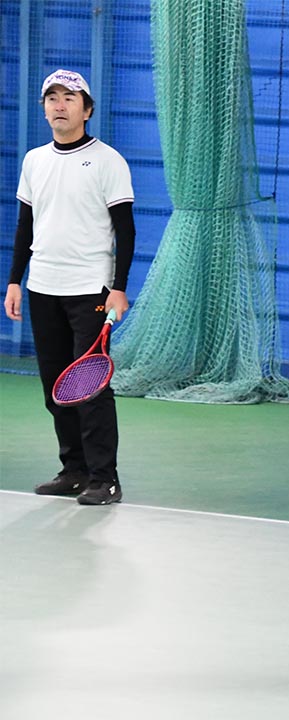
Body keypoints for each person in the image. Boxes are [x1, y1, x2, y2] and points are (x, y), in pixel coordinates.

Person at [4, 69, 135, 506]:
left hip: (90, 290)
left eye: (69, 98)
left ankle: (105, 478)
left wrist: (118, 288)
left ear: (87, 110)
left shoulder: (108, 161)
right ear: (44, 108)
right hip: (42, 288)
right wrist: (15, 280)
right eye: (52, 98)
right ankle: (74, 471)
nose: (59, 105)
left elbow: (126, 230)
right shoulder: (34, 161)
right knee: (55, 388)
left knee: (90, 389)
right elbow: (25, 226)